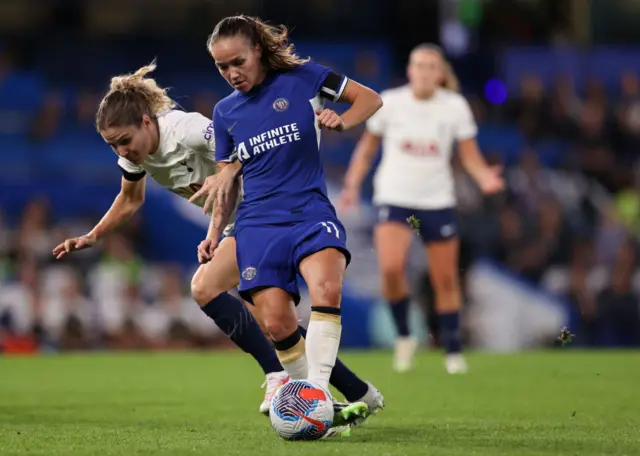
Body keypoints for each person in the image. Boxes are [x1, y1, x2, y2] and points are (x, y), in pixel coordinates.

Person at [51, 62, 383, 428]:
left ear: (147, 122)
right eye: (113, 145)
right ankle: (353, 392)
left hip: (266, 211)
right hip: (242, 221)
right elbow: (130, 199)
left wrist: (221, 194)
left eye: (125, 141)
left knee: (237, 302)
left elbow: (246, 145)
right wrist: (93, 236)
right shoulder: (135, 152)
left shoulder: (188, 129)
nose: (123, 152)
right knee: (267, 318)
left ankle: (287, 379)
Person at [197, 15, 382, 394]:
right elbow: (227, 183)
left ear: (259, 51)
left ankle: (315, 396)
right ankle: (323, 399)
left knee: (326, 288)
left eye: (238, 62)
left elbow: (370, 98)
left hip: (308, 212)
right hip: (258, 224)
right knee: (278, 324)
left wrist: (343, 121)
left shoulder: (305, 78)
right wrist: (215, 232)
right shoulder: (224, 112)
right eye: (222, 66)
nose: (232, 73)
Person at [338, 44, 504, 374]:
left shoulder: (454, 107)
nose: (425, 72)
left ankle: (453, 350)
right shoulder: (391, 102)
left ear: (440, 74)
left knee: (444, 279)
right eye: (419, 65)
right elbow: (367, 150)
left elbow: (469, 155)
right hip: (395, 196)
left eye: (432, 67)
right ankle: (404, 336)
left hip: (437, 200)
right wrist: (352, 184)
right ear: (410, 70)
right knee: (391, 270)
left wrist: (484, 176)